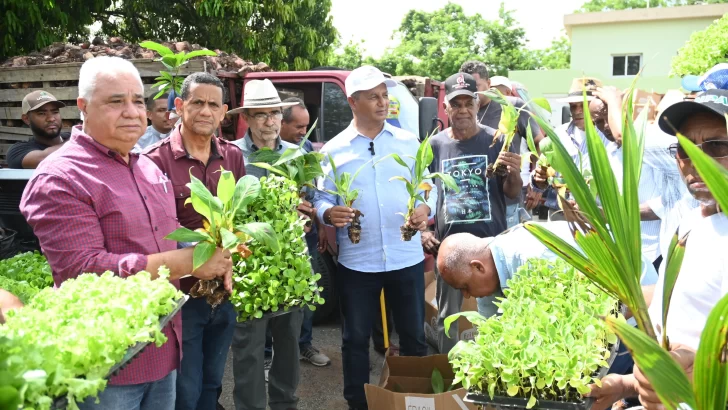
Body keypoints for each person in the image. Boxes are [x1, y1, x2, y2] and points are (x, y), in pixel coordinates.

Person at [19, 56, 232, 409]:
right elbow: (81, 271)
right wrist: (187, 263)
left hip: (165, 350)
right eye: (116, 101)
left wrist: (214, 252)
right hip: (110, 368)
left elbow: (167, 232)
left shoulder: (146, 166)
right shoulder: (61, 176)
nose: (132, 112)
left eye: (137, 100)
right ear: (83, 107)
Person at [586, 88, 728, 410]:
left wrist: (699, 377)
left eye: (716, 146)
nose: (695, 161)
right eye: (684, 149)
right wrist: (625, 385)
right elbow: (675, 301)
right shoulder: (690, 222)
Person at [313, 65, 435, 410]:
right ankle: (357, 402)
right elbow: (322, 198)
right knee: (354, 340)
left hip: (405, 257)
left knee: (412, 337)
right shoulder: (333, 151)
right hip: (358, 261)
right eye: (374, 97)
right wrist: (326, 213)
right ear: (353, 101)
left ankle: (416, 402)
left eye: (385, 96)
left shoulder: (409, 143)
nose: (383, 103)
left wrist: (425, 208)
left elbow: (429, 187)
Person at [143, 72, 243, 410]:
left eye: (214, 104)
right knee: (186, 386)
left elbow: (239, 218)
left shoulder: (232, 157)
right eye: (197, 102)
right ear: (180, 106)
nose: (205, 111)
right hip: (181, 295)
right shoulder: (154, 160)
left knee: (213, 381)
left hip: (224, 291)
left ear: (223, 112)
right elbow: (153, 232)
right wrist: (196, 253)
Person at [423, 72, 522, 354]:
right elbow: (425, 195)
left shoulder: (497, 140)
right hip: (450, 251)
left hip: (491, 251)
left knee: (498, 318)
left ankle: (499, 376)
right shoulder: (436, 145)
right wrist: (425, 230)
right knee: (446, 320)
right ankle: (450, 378)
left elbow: (513, 193)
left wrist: (513, 172)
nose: (463, 109)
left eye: (469, 103)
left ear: (478, 105)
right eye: (457, 104)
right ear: (447, 108)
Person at [227, 79, 307, 410]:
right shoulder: (231, 154)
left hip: (289, 263)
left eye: (274, 113)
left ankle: (285, 403)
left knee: (289, 342)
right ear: (247, 118)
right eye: (261, 115)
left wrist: (305, 208)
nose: (270, 122)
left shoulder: (296, 155)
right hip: (248, 266)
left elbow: (309, 200)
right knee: (248, 346)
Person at [459, 61, 542, 225]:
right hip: (473, 204)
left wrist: (538, 183)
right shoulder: (462, 113)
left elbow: (539, 143)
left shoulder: (512, 106)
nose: (472, 93)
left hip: (506, 203)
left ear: (489, 84)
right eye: (468, 88)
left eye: (477, 86)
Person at [589, 87, 662, 266]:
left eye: (609, 116)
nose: (606, 125)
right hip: (621, 252)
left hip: (654, 253)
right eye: (598, 121)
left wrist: (611, 214)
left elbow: (663, 205)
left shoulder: (650, 146)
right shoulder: (608, 151)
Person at [530, 77, 607, 220]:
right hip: (559, 216)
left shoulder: (610, 137)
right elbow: (540, 178)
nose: (577, 111)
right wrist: (538, 179)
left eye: (584, 105)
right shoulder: (558, 135)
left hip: (599, 217)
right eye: (573, 106)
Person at [7, 90, 66, 169]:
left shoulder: (71, 137)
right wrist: (81, 142)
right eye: (42, 113)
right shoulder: (18, 151)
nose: (51, 118)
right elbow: (46, 159)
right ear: (26, 119)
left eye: (55, 112)